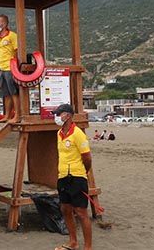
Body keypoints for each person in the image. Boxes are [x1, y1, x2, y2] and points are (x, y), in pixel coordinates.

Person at [52, 103, 93, 250]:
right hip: (63, 176)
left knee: (81, 212)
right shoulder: (59, 133)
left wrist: (84, 172)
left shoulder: (78, 133)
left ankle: (88, 247)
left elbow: (87, 157)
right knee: (65, 209)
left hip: (77, 176)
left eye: (59, 114)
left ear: (67, 115)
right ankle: (73, 242)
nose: (56, 117)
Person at [0, 14, 20, 123]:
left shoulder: (12, 36)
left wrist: (17, 66)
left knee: (13, 92)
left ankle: (17, 115)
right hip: (1, 68)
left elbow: (17, 50)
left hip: (10, 68)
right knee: (6, 93)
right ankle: (7, 115)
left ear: (3, 24)